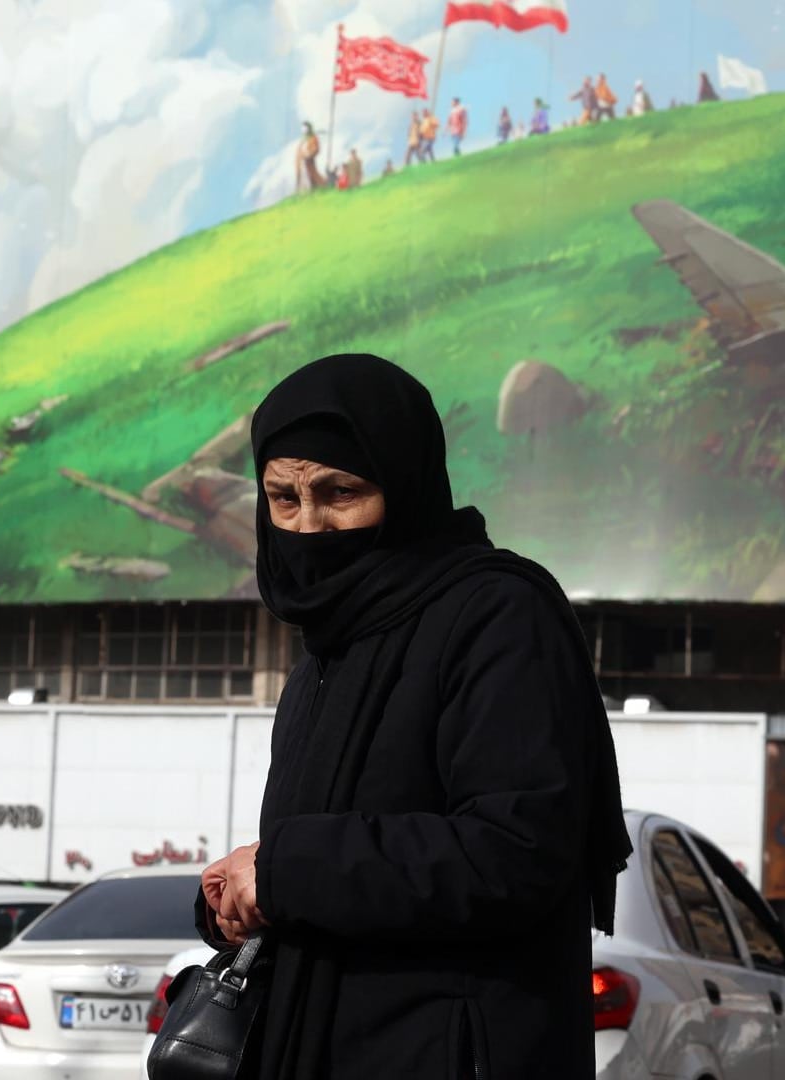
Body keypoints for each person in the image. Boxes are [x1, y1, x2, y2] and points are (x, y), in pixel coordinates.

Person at [196, 354, 631, 1080]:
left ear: (404, 484)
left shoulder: (498, 616)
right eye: (283, 498)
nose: (311, 525)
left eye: (342, 492)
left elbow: (514, 851)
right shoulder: (325, 660)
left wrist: (288, 871)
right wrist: (241, 898)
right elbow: (334, 864)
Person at [296, 122, 322, 193]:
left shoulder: (313, 137)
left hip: (309, 162)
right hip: (301, 163)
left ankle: (313, 191)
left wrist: (309, 154)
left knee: (311, 178)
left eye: (305, 128)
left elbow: (316, 149)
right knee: (303, 179)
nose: (304, 130)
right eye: (303, 129)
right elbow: (299, 151)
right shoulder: (303, 139)